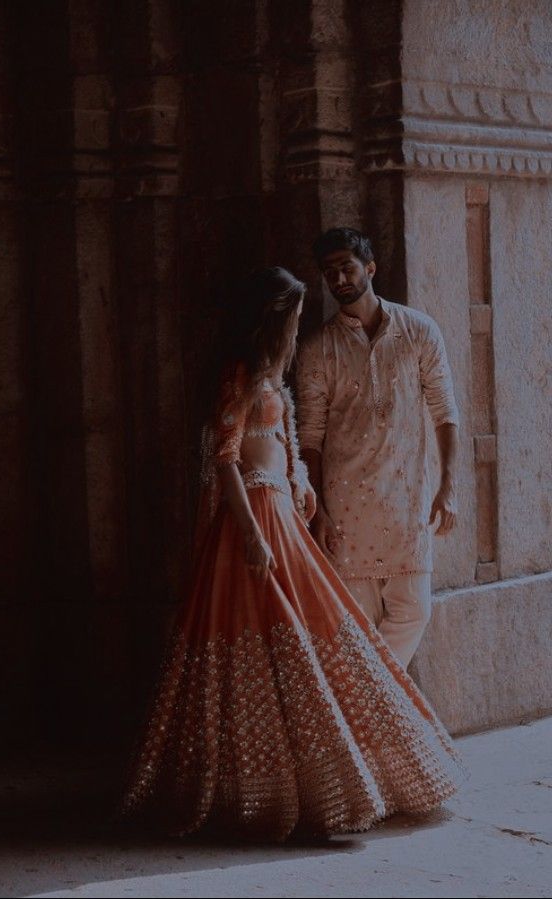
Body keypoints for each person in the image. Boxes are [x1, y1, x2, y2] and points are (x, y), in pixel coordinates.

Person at [118, 266, 465, 842]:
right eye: (297, 314)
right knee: (283, 637)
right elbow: (227, 457)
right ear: (276, 316)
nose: (303, 321)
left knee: (322, 632)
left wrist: (300, 482)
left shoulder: (272, 374)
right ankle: (285, 789)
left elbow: (281, 442)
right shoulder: (241, 373)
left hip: (282, 511)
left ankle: (332, 778)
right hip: (256, 517)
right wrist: (251, 532)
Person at [297, 227, 460, 670]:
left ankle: (374, 713)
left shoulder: (419, 331)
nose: (338, 280)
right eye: (329, 273)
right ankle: (379, 725)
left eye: (346, 268)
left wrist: (448, 485)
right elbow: (309, 437)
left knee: (414, 612)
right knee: (357, 625)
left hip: (409, 499)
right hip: (345, 506)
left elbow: (446, 413)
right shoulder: (317, 348)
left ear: (370, 268)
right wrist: (319, 511)